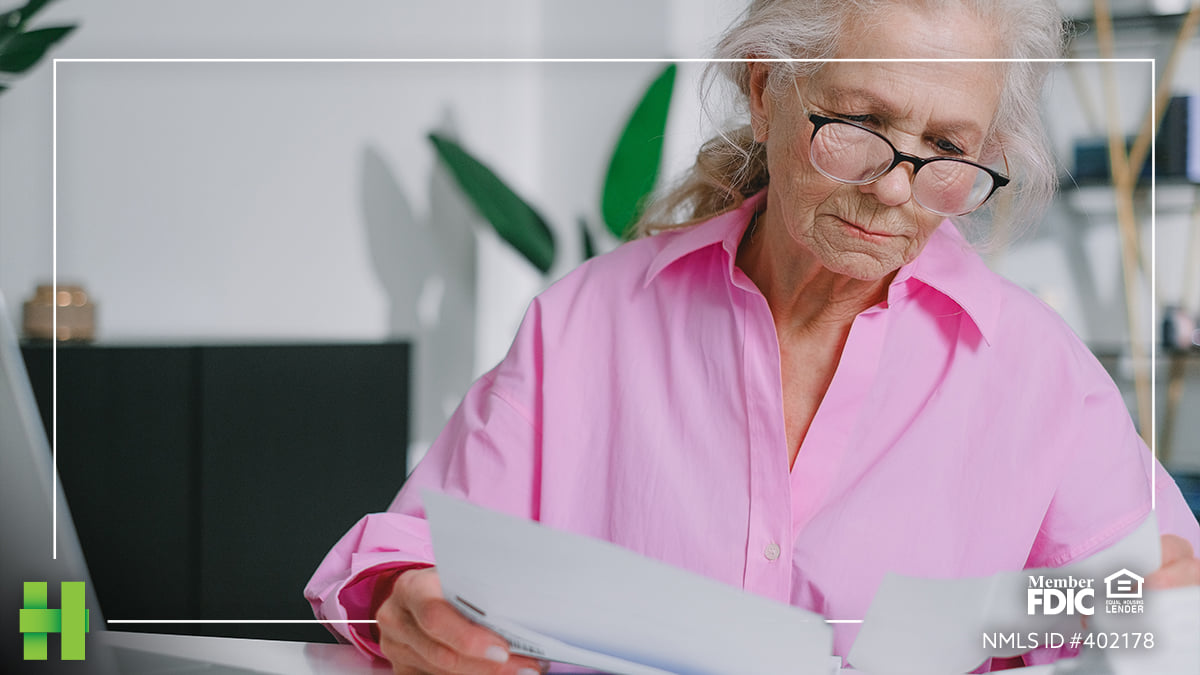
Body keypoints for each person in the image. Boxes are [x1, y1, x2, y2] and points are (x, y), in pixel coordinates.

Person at [307, 1, 1200, 673]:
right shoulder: (587, 323)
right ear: (768, 88)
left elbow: (1147, 602)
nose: (895, 187)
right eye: (860, 125)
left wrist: (1106, 606)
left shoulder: (1039, 373)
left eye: (944, 147)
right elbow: (410, 554)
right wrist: (409, 602)